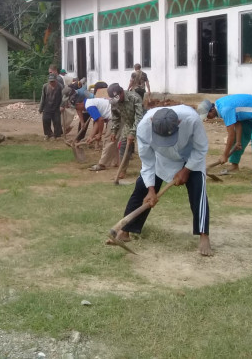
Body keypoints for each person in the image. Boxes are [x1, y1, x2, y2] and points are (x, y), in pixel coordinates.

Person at [108, 106, 212, 256]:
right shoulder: (144, 127)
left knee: (198, 192)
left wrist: (187, 169)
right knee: (141, 189)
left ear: (179, 122)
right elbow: (147, 161)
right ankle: (125, 231)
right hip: (161, 159)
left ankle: (204, 235)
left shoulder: (192, 119)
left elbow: (201, 148)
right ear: (151, 122)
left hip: (191, 158)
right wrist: (151, 189)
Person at [197, 95, 252, 187]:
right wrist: (238, 141)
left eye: (207, 115)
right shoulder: (219, 105)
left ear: (212, 110)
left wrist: (225, 155)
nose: (207, 118)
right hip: (248, 116)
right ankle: (234, 166)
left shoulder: (225, 109)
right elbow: (237, 121)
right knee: (237, 138)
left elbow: (230, 136)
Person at [108, 83, 144, 178]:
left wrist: (133, 132)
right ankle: (122, 171)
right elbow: (115, 117)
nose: (116, 100)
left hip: (143, 124)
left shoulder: (134, 97)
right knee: (123, 146)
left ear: (121, 92)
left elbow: (139, 117)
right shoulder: (114, 102)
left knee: (143, 148)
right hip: (128, 124)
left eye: (117, 97)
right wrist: (114, 131)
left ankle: (146, 171)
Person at [84, 97, 119, 171]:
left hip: (114, 117)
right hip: (116, 115)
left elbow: (100, 120)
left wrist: (99, 133)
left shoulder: (89, 106)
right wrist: (91, 136)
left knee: (108, 141)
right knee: (114, 140)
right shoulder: (91, 101)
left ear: (78, 104)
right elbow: (97, 121)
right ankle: (116, 161)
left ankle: (102, 164)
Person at [38, 74, 63, 140]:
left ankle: (57, 135)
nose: (52, 83)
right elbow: (43, 97)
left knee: (57, 121)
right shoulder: (45, 86)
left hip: (56, 107)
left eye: (53, 81)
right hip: (47, 106)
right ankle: (48, 134)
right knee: (45, 120)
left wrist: (62, 105)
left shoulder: (60, 86)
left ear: (56, 81)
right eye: (50, 81)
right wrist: (41, 108)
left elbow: (63, 97)